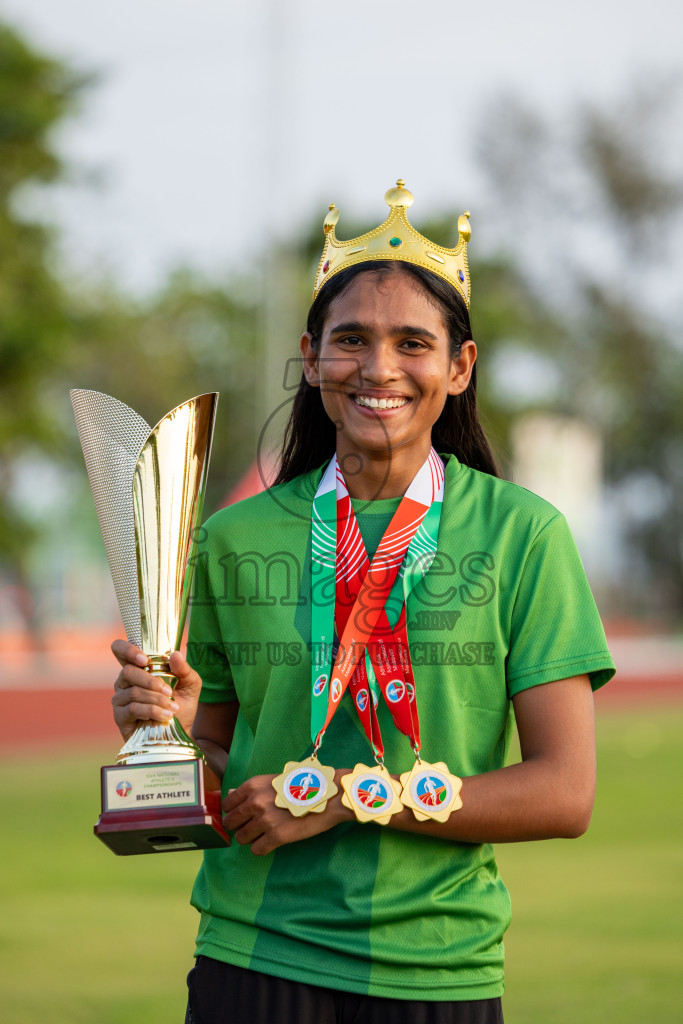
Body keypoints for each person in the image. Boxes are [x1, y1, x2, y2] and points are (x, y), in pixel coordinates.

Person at [111, 181, 615, 1024]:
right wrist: (161, 733)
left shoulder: (523, 535)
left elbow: (563, 793)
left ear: (458, 368)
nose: (378, 368)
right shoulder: (234, 538)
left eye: (411, 343)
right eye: (351, 340)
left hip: (439, 967)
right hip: (251, 957)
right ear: (311, 358)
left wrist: (345, 792)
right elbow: (215, 775)